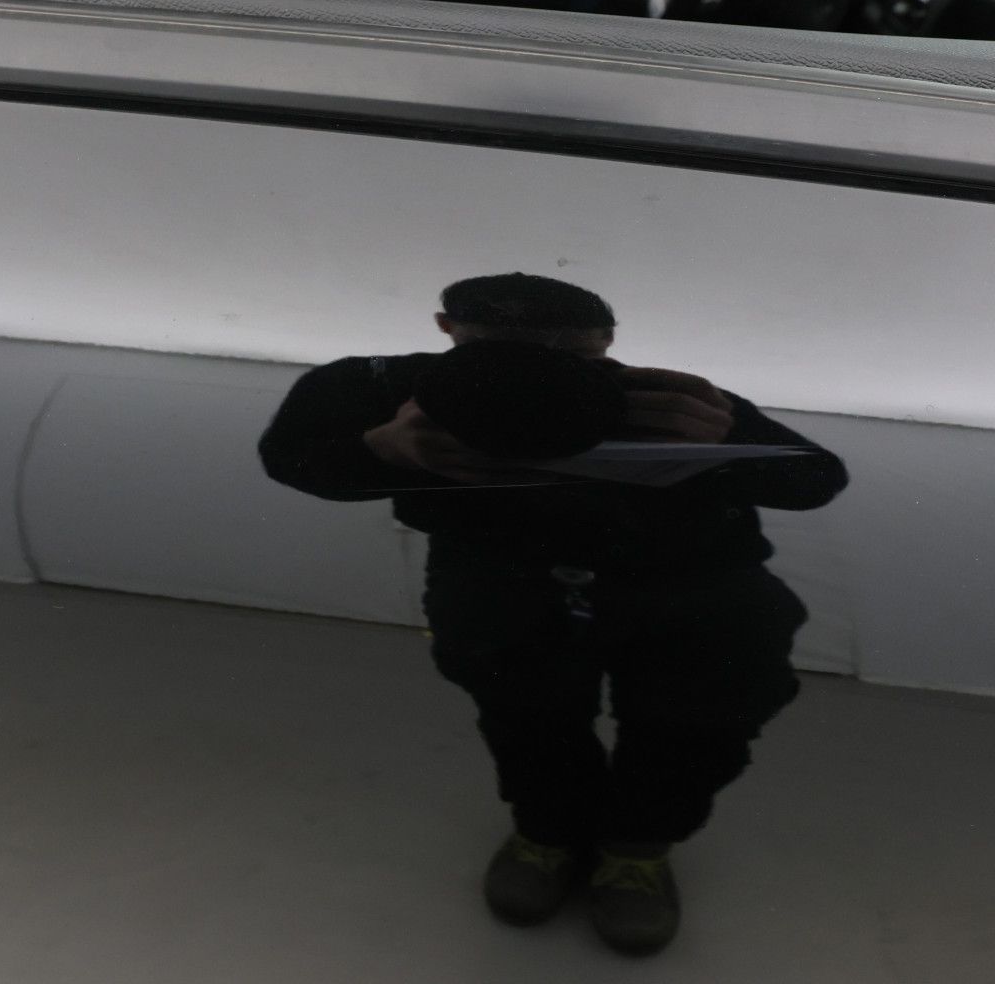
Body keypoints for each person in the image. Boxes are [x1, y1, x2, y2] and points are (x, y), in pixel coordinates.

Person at [257, 273, 846, 955]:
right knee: (525, 714)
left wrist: (725, 436)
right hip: (501, 578)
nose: (534, 365)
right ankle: (548, 833)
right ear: (446, 330)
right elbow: (291, 459)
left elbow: (816, 478)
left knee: (697, 721)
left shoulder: (661, 398)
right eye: (499, 348)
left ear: (606, 343)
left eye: (566, 351)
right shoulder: (383, 389)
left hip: (690, 582)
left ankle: (637, 847)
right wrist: (381, 449)